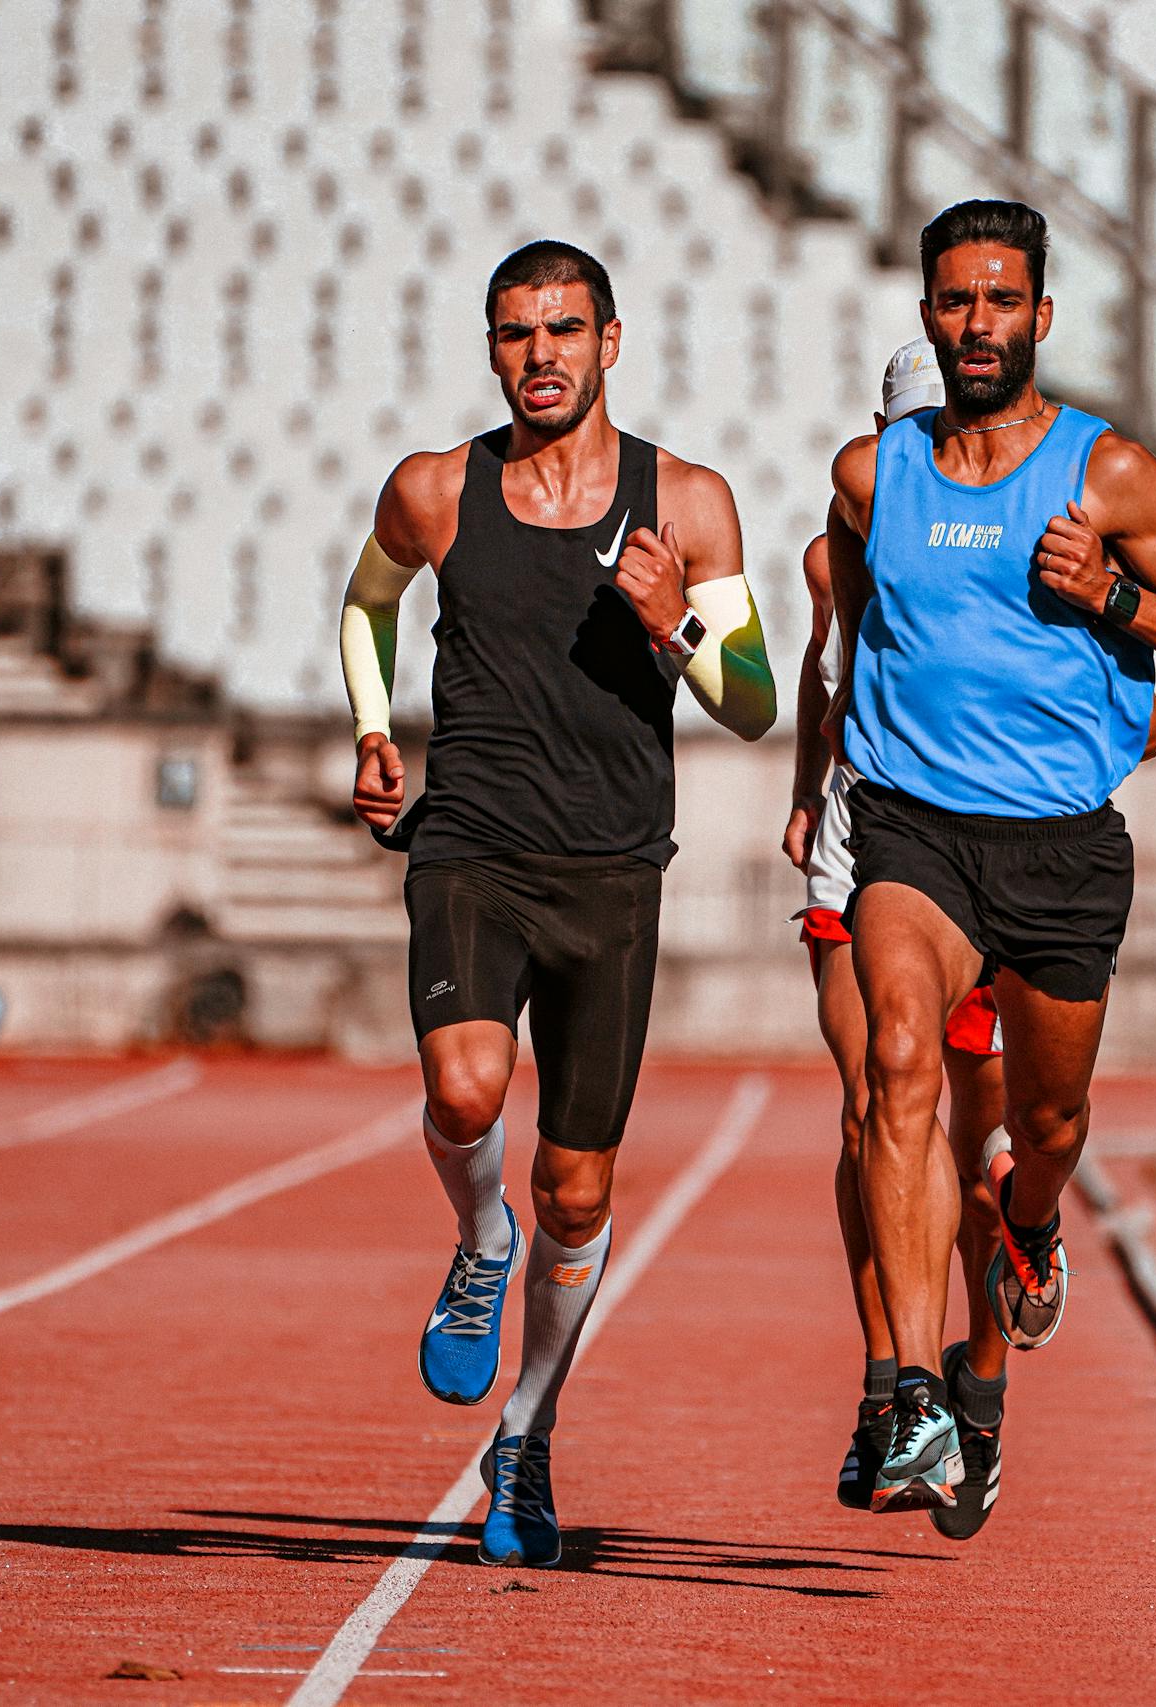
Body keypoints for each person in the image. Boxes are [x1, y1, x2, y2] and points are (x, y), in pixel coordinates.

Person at [339, 239, 776, 1566]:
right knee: (465, 1094)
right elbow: (366, 606)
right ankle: (480, 1237)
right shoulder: (434, 490)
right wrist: (372, 726)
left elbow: (754, 703)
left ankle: (523, 1437)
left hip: (613, 870)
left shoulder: (687, 503)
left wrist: (677, 625)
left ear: (611, 341)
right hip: (470, 845)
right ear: (492, 349)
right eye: (519, 332)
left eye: (566, 329)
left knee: (579, 1194)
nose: (543, 354)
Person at [822, 200, 1156, 1511]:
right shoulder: (867, 477)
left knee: (1044, 1124)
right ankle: (902, 1391)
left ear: (1041, 317)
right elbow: (846, 648)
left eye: (1001, 301)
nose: (977, 325)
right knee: (898, 1059)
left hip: (1061, 849)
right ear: (926, 315)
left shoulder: (1103, 474)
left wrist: (1110, 596)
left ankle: (1026, 1223)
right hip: (915, 830)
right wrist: (818, 790)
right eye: (955, 301)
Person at [790, 339, 1156, 1533]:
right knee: (878, 1103)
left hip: (1019, 842)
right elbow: (828, 676)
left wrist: (1045, 730)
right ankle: (891, 1394)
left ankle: (981, 1389)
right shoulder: (843, 536)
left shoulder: (1036, 523)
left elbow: (1147, 717)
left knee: (993, 1140)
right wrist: (811, 793)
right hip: (885, 832)